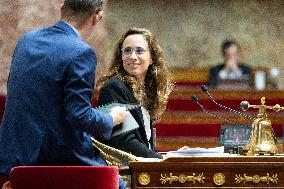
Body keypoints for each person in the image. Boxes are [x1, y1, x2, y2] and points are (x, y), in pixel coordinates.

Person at [0, 0, 128, 188]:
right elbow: (80, 116)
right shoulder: (81, 53)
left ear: (62, 8)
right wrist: (111, 119)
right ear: (97, 17)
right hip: (54, 160)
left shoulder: (26, 41)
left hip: (14, 158)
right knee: (119, 183)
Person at [96, 27, 174, 159]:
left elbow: (144, 143)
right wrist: (161, 161)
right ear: (121, 56)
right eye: (127, 51)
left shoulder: (145, 90)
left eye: (139, 51)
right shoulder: (113, 87)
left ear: (152, 58)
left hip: (137, 168)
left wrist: (173, 155)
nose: (132, 57)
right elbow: (124, 141)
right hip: (121, 173)